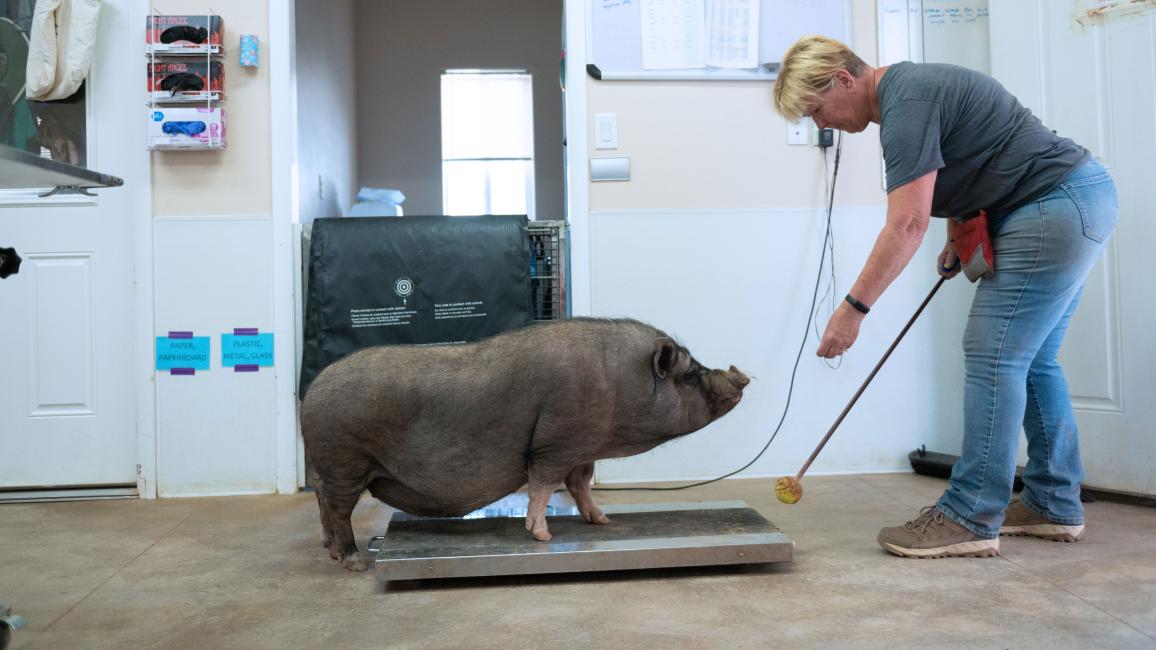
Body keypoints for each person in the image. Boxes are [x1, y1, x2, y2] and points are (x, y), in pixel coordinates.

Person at [772, 36, 1118, 558]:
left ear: (843, 79)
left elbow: (907, 223)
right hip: (1075, 198)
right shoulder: (913, 90)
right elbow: (976, 158)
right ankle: (1052, 502)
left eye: (817, 109)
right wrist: (959, 233)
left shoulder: (906, 103)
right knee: (1032, 358)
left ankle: (969, 514)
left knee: (993, 354)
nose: (821, 123)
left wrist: (852, 310)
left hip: (1052, 207)